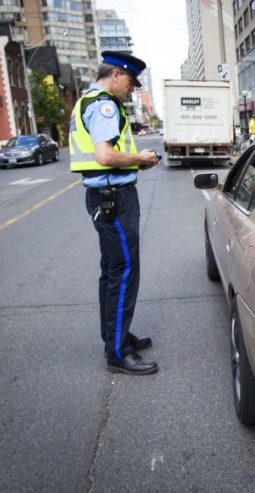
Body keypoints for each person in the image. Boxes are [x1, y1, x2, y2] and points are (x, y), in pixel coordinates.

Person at [69, 51, 161, 375]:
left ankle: (115, 337)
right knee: (123, 271)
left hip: (103, 196)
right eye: (131, 83)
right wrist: (140, 158)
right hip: (114, 200)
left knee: (112, 271)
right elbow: (105, 155)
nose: (132, 90)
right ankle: (118, 352)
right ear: (118, 75)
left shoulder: (88, 101)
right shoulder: (105, 104)